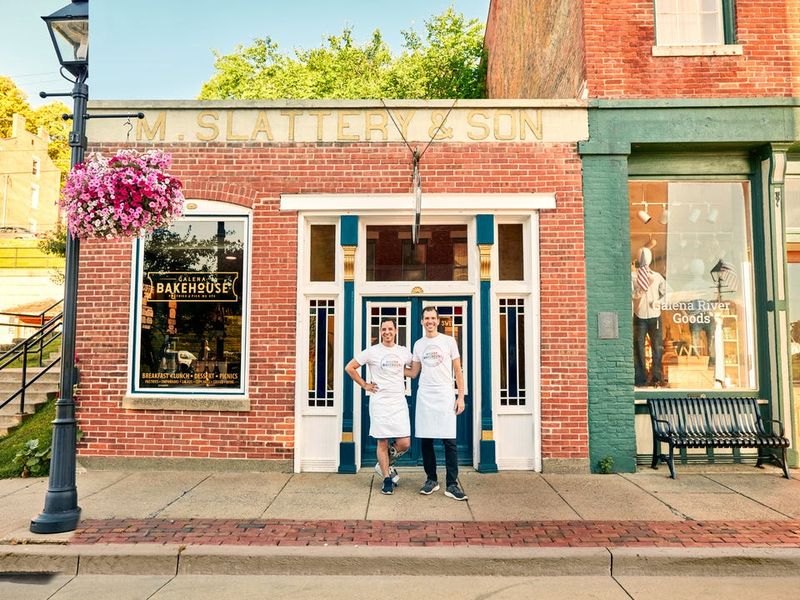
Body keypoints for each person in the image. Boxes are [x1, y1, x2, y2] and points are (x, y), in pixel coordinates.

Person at [345, 319, 412, 495]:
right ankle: (386, 478)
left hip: (398, 402)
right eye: (384, 329)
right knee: (381, 441)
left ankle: (384, 463)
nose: (387, 332)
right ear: (380, 332)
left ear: (396, 331)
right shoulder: (372, 351)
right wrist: (364, 384)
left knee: (404, 443)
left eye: (390, 329)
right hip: (380, 402)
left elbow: (413, 371)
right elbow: (350, 367)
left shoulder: (403, 352)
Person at [407, 306, 467, 501]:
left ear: (438, 321)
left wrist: (460, 397)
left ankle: (452, 484)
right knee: (426, 440)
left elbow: (458, 370)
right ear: (422, 322)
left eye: (433, 318)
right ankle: (431, 480)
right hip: (425, 395)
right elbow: (414, 372)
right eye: (426, 318)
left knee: (450, 442)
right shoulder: (418, 344)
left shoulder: (449, 341)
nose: (430, 321)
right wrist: (389, 367)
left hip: (445, 395)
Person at [632, 243, 666, 387]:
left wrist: (659, 302)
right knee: (638, 347)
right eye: (641, 255)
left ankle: (657, 377)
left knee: (657, 347)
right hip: (639, 316)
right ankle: (640, 378)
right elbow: (632, 295)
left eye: (646, 255)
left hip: (655, 316)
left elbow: (666, 293)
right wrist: (641, 290)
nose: (644, 258)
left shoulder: (657, 277)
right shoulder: (633, 276)